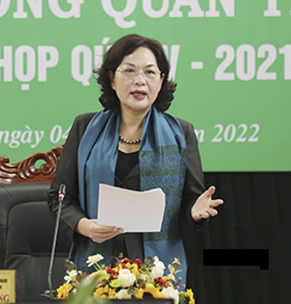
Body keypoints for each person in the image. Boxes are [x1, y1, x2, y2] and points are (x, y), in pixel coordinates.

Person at [48, 34, 223, 277]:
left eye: (150, 72)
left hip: (158, 270)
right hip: (96, 264)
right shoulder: (85, 128)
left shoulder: (181, 133)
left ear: (161, 80)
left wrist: (195, 211)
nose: (140, 80)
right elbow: (59, 198)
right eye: (129, 71)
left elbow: (190, 200)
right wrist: (84, 226)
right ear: (112, 78)